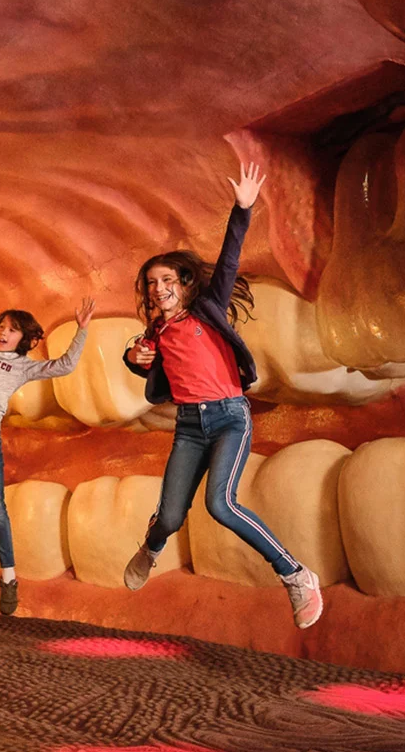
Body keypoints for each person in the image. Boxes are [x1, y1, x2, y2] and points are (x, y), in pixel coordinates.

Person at [121, 163, 323, 629]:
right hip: (189, 426)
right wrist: (134, 357)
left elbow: (229, 260)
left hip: (230, 417)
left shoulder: (207, 309)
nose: (159, 288)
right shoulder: (155, 331)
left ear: (185, 284)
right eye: (152, 283)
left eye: (167, 280)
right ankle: (152, 548)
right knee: (170, 517)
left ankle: (295, 575)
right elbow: (140, 361)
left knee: (220, 504)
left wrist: (243, 208)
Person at [0, 292, 93, 614]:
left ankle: (9, 580)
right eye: (2, 326)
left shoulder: (22, 366)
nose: (4, 333)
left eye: (12, 329)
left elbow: (64, 366)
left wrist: (82, 330)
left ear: (23, 337)